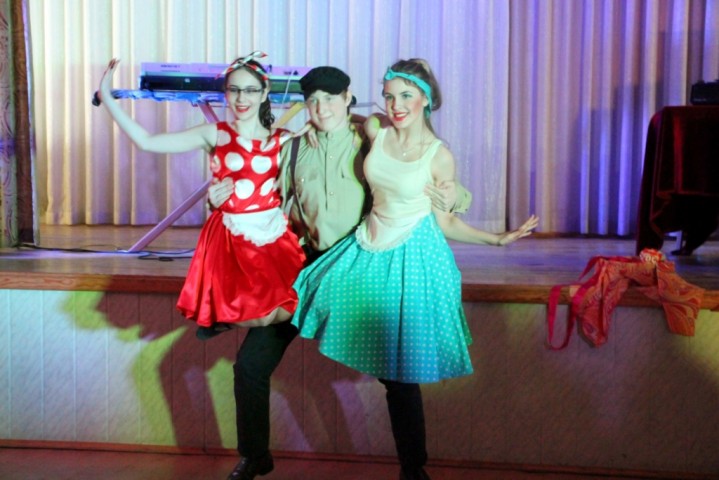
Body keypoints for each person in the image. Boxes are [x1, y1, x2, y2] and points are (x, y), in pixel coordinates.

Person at [207, 65, 472, 480]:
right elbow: (255, 195)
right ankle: (255, 455)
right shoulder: (291, 147)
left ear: (348, 98)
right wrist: (217, 198)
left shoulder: (372, 138)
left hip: (358, 265)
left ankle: (413, 468)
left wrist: (457, 194)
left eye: (330, 99)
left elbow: (425, 176)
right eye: (312, 100)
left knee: (397, 375)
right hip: (305, 269)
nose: (321, 108)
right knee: (250, 366)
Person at [290, 59, 539, 479]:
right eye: (389, 96)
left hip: (412, 256)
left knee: (402, 376)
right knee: (312, 298)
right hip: (368, 246)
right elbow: (340, 117)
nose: (396, 105)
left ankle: (413, 469)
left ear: (427, 98)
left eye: (406, 96)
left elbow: (448, 222)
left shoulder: (439, 156)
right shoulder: (375, 129)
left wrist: (496, 239)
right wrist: (313, 128)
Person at [97, 51, 306, 331]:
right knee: (258, 316)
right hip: (232, 236)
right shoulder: (215, 133)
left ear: (265, 92)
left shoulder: (285, 139)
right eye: (234, 90)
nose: (241, 98)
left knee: (285, 310)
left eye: (250, 90)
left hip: (273, 234)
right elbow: (147, 141)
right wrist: (107, 97)